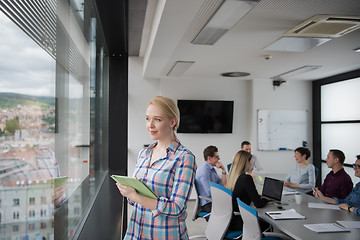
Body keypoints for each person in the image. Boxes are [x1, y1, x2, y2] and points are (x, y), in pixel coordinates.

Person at [116, 96, 196, 239]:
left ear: (172, 122)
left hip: (165, 235)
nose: (150, 125)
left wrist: (135, 196)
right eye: (147, 119)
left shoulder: (184, 158)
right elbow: (135, 199)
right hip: (136, 232)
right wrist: (129, 193)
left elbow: (176, 208)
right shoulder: (144, 154)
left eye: (157, 119)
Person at [226, 150, 270, 231]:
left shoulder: (232, 177)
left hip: (230, 220)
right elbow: (259, 204)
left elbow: (241, 193)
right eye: (250, 161)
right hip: (241, 221)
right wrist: (266, 199)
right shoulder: (246, 178)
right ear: (246, 162)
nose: (251, 164)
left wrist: (255, 196)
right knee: (267, 224)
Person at [195, 145, 227, 213]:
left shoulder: (212, 169)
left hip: (214, 201)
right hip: (208, 204)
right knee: (230, 212)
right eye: (217, 157)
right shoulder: (204, 171)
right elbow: (209, 192)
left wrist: (223, 170)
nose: (219, 159)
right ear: (209, 158)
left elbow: (223, 184)